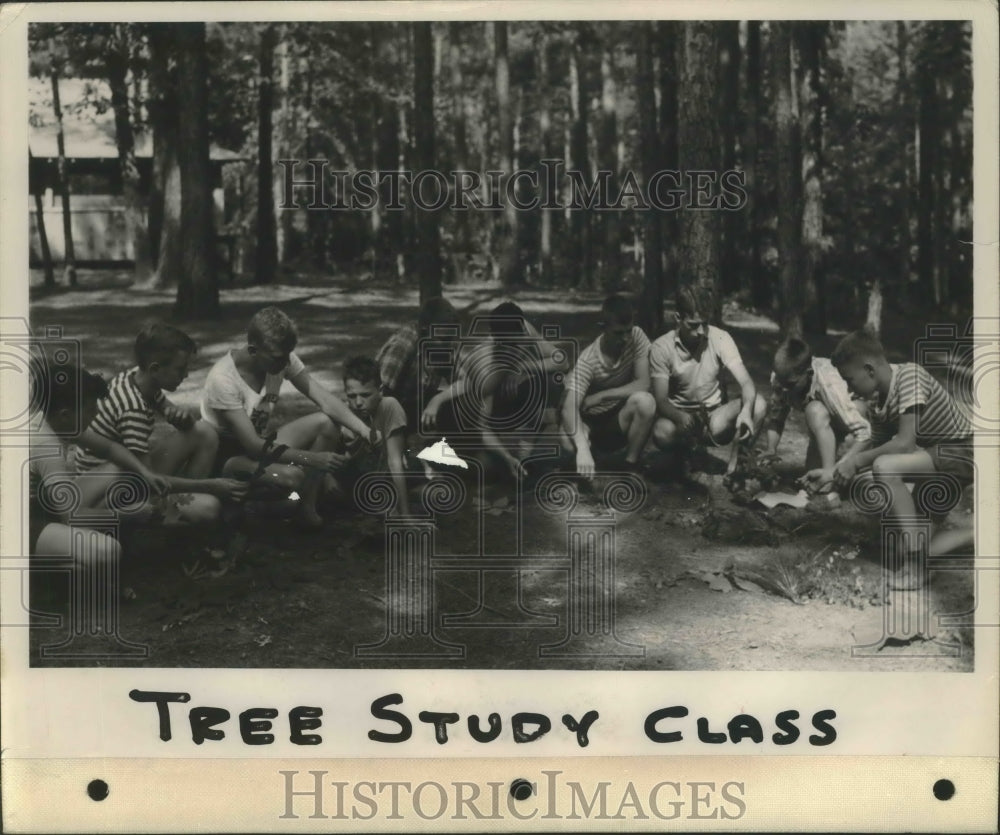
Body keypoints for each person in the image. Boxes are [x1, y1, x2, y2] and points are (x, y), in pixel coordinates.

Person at [805, 329, 974, 588]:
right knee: (904, 548)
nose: (849, 392)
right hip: (936, 467)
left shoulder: (910, 376)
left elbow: (904, 445)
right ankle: (979, 532)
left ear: (870, 370)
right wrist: (833, 472)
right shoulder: (877, 404)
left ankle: (917, 565)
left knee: (885, 467)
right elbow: (879, 445)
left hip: (961, 452)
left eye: (849, 381)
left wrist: (856, 463)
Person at [200, 306, 378, 528]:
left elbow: (323, 398)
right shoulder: (223, 379)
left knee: (327, 423)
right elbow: (253, 446)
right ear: (253, 350)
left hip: (259, 447)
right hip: (229, 458)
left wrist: (364, 430)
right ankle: (243, 505)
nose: (285, 364)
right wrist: (314, 459)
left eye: (287, 356)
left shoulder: (278, 357)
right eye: (278, 358)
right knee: (292, 477)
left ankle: (306, 508)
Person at [74, 322, 246, 525]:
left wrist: (181, 417)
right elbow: (147, 478)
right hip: (110, 492)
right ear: (155, 369)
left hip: (127, 473)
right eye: (180, 369)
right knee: (209, 507)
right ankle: (175, 510)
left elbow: (182, 421)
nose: (186, 375)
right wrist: (211, 485)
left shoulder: (137, 377)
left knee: (203, 431)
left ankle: (181, 498)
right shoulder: (133, 409)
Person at [648, 286, 767, 475]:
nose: (701, 331)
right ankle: (685, 455)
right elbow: (660, 400)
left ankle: (738, 465)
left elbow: (746, 383)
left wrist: (745, 411)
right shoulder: (661, 347)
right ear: (678, 318)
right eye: (693, 325)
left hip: (713, 417)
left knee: (758, 404)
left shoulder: (720, 338)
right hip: (681, 419)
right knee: (661, 432)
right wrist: (680, 417)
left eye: (704, 323)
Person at [29, 360, 121, 567]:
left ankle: (61, 563)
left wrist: (145, 473)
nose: (96, 414)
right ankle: (40, 574)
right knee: (108, 550)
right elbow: (72, 518)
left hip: (43, 507)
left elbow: (109, 448)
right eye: (90, 409)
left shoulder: (50, 420)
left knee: (117, 471)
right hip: (23, 525)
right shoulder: (46, 444)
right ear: (65, 415)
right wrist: (128, 515)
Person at [561, 294, 656, 479]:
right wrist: (582, 448)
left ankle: (630, 465)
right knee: (566, 441)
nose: (626, 338)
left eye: (628, 330)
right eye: (618, 333)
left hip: (617, 417)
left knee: (646, 402)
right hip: (590, 421)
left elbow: (644, 383)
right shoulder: (589, 360)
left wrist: (602, 396)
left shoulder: (637, 337)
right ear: (603, 328)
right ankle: (590, 459)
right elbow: (568, 407)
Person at [473, 301, 570, 480]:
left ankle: (526, 450)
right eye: (514, 344)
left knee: (551, 381)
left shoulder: (525, 330)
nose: (522, 344)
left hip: (518, 401)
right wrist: (506, 457)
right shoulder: (487, 362)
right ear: (500, 341)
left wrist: (525, 366)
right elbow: (482, 427)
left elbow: (562, 361)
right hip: (495, 416)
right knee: (488, 468)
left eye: (522, 337)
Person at [763, 337, 871, 486]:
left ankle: (844, 473)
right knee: (812, 476)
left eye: (790, 384)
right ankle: (829, 472)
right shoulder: (782, 379)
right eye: (781, 383)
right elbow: (776, 418)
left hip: (860, 413)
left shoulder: (829, 383)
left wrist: (837, 469)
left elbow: (865, 433)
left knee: (815, 410)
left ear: (808, 373)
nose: (784, 389)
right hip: (829, 416)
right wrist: (771, 449)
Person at [339, 356, 410, 516]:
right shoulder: (343, 412)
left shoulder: (389, 406)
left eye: (365, 395)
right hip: (354, 476)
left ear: (380, 391)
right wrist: (327, 477)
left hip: (385, 474)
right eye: (351, 396)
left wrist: (406, 515)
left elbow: (395, 462)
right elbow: (330, 450)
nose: (358, 402)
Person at [376, 296, 461, 429]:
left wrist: (437, 401)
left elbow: (466, 382)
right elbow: (380, 391)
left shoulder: (445, 345)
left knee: (460, 403)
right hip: (392, 407)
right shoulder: (405, 343)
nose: (447, 344)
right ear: (425, 331)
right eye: (443, 339)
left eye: (450, 338)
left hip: (418, 404)